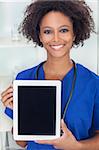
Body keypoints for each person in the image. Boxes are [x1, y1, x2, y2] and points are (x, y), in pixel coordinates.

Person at [1, 0, 99, 149]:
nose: (56, 38)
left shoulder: (93, 83)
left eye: (64, 30)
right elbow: (22, 142)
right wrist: (19, 112)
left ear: (74, 34)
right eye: (47, 31)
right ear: (39, 35)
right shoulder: (24, 79)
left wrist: (76, 146)